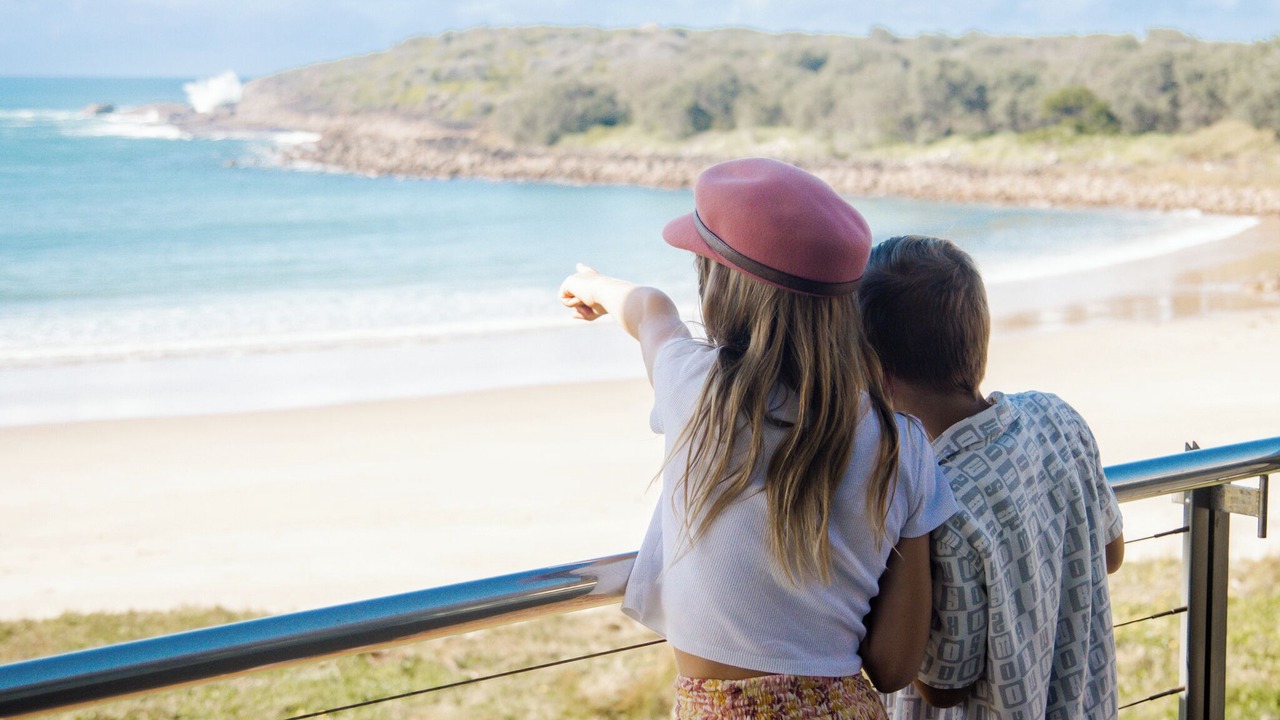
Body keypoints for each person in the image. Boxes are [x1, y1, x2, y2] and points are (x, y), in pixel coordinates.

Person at [559, 158, 958, 719]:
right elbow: (894, 666)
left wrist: (591, 286)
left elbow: (651, 311)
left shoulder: (700, 391)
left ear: (719, 286)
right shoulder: (901, 443)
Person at [857, 235, 1126, 720]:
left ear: (877, 374)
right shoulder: (1057, 417)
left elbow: (943, 686)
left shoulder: (935, 502)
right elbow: (1112, 552)